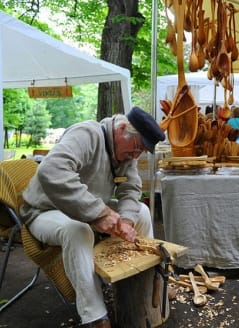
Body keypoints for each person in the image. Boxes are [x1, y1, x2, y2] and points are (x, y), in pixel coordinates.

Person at [19, 107, 166, 328]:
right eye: (137, 147)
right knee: (78, 230)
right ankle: (96, 315)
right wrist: (100, 213)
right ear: (122, 129)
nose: (136, 156)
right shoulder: (87, 134)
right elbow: (51, 171)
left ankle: (143, 284)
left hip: (85, 209)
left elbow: (131, 188)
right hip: (45, 209)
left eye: (142, 151)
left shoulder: (127, 149)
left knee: (141, 213)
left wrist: (124, 220)